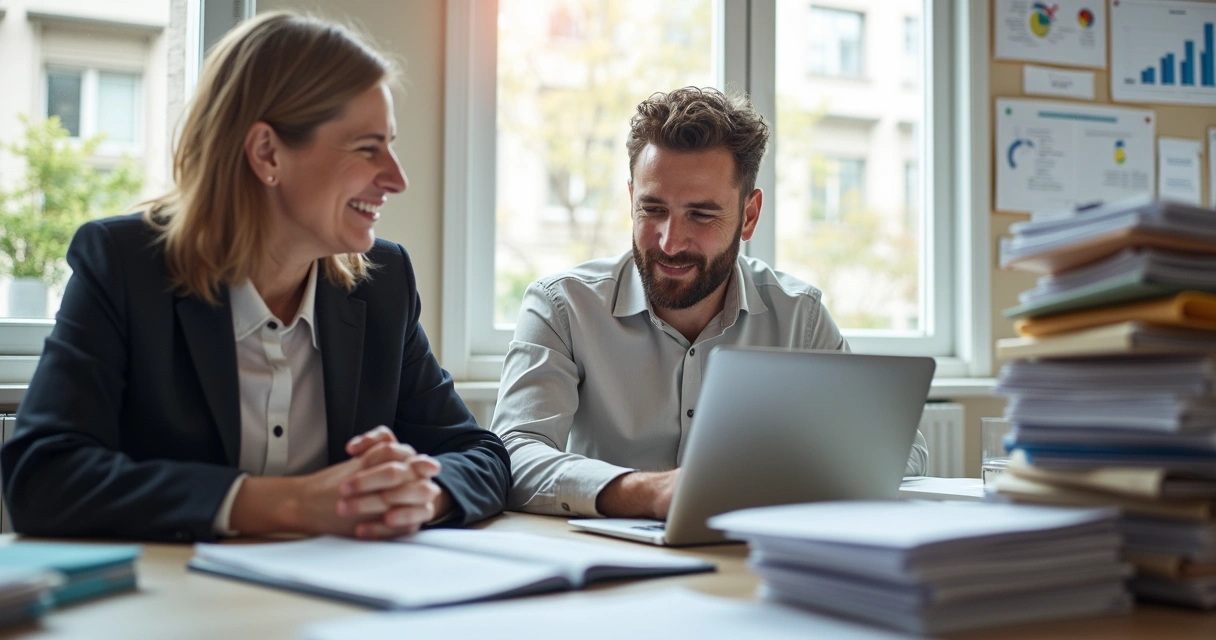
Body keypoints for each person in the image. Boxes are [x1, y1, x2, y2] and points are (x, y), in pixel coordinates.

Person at [0, 12, 509, 542]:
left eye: (391, 144)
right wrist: (286, 504)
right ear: (267, 152)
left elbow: (481, 454)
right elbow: (43, 476)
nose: (396, 179)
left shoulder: (382, 285)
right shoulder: (125, 266)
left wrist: (421, 492)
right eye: (367, 148)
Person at [490, 87, 927, 519]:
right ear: (631, 201)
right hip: (609, 566)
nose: (670, 241)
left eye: (701, 215)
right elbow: (513, 454)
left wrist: (776, 487)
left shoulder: (800, 317)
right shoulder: (562, 307)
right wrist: (649, 493)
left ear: (749, 216)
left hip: (749, 560)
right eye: (653, 209)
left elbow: (901, 450)